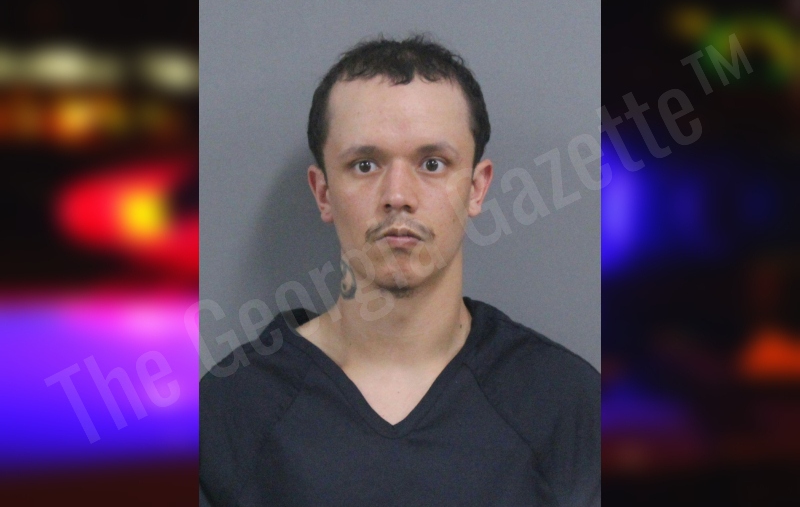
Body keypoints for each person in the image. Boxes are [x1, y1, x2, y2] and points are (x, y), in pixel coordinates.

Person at [200, 35, 599, 506]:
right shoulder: (232, 410)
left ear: (477, 188)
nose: (398, 195)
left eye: (432, 163)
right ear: (323, 193)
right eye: (365, 164)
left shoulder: (566, 405)